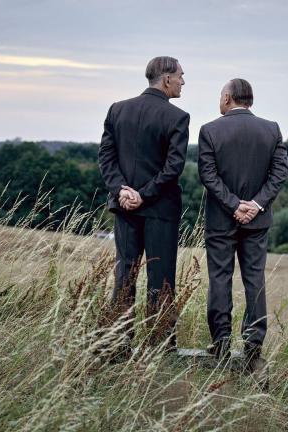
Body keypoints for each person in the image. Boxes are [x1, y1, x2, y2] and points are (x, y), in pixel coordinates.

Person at [98, 56, 189, 352]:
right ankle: (159, 348)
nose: (183, 82)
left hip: (124, 208)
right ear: (167, 79)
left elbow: (106, 157)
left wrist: (121, 191)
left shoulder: (118, 109)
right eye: (181, 76)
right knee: (161, 279)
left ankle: (116, 344)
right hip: (160, 210)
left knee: (125, 275)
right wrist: (144, 195)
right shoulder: (178, 117)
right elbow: (174, 167)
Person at [197, 78, 288, 371]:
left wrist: (234, 205)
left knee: (220, 279)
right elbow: (279, 173)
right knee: (255, 280)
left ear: (227, 98)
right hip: (257, 221)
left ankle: (221, 343)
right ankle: (253, 346)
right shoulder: (271, 129)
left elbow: (208, 175)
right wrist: (256, 205)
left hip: (221, 221)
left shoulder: (210, 130)